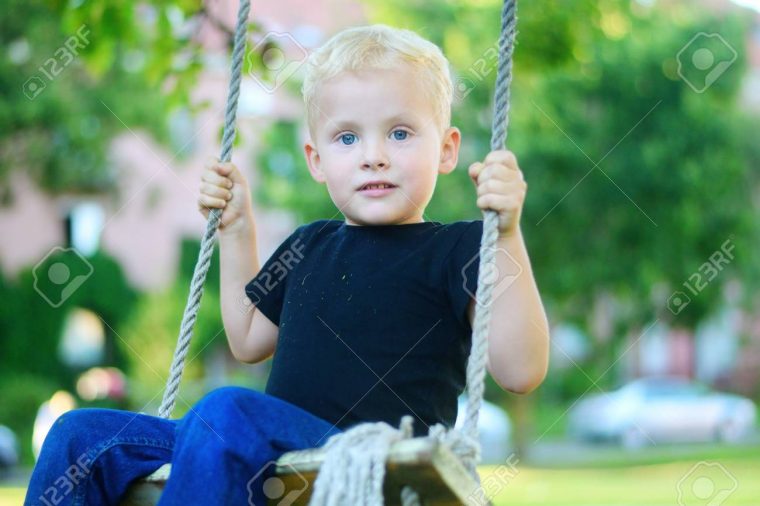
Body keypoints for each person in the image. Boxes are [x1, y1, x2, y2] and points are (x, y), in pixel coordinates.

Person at [25, 24, 549, 506]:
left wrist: (507, 233)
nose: (373, 156)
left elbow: (521, 370)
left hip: (368, 457)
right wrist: (237, 230)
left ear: (447, 149)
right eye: (347, 137)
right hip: (270, 442)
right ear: (316, 158)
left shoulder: (459, 248)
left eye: (400, 133)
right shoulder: (309, 244)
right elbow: (248, 339)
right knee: (79, 434)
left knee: (226, 410)